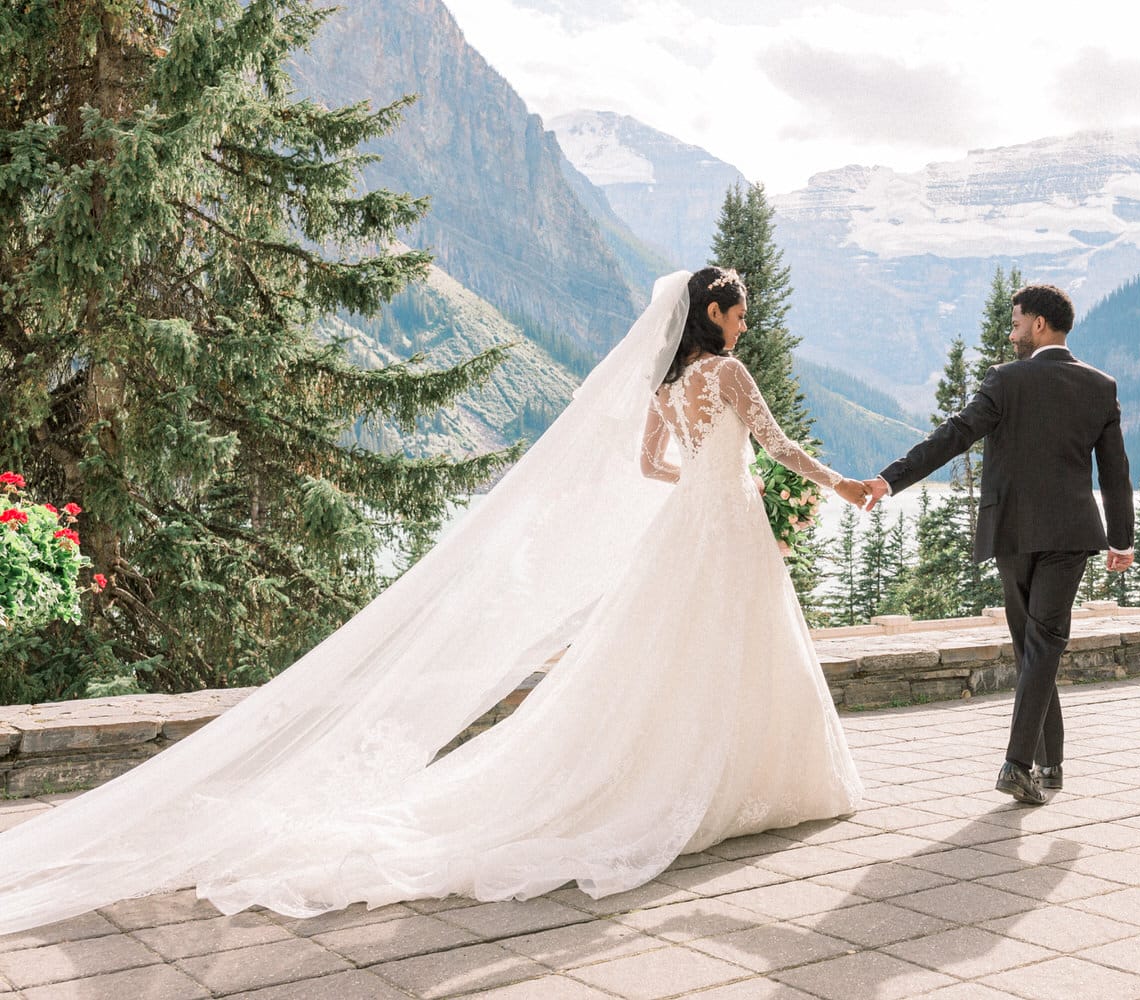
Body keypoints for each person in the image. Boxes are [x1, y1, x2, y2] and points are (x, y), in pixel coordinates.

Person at [0, 267, 867, 933]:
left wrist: (698, 482)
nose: (745, 321)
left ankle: (692, 773)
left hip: (688, 528)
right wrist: (837, 487)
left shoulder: (668, 389)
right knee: (735, 647)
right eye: (739, 309)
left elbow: (648, 465)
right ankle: (740, 778)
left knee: (668, 655)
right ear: (715, 313)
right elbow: (780, 446)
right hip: (726, 527)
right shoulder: (727, 374)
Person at [863, 283, 1133, 806]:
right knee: (1042, 645)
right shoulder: (1101, 386)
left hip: (1011, 532)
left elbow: (953, 436)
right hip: (1071, 534)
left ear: (1038, 324)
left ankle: (1020, 763)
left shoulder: (1005, 382)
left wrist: (890, 480)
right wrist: (1120, 539)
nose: (1011, 334)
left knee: (1037, 645)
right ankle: (1045, 763)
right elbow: (1115, 472)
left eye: (1015, 323)